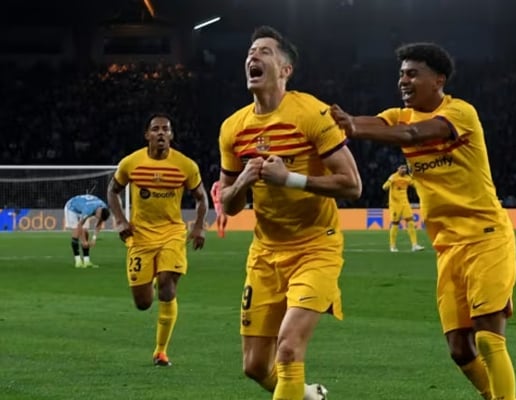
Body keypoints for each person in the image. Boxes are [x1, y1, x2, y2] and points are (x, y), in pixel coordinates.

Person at [331, 42, 516, 400]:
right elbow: (377, 123)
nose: (403, 80)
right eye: (401, 74)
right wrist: (335, 122)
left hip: (486, 237)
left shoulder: (460, 113)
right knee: (459, 349)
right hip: (447, 246)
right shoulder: (400, 115)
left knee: (488, 336)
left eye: (412, 73)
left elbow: (411, 135)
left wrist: (352, 127)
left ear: (438, 80)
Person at [218, 26, 361, 400]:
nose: (253, 57)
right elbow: (229, 205)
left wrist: (290, 179)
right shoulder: (233, 129)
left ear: (285, 69)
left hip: (316, 248)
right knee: (254, 366)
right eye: (250, 52)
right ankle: (309, 396)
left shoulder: (312, 112)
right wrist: (245, 181)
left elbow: (352, 184)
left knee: (288, 349)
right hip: (265, 255)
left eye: (264, 52)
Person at [107, 112, 208, 367]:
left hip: (172, 233)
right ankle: (150, 278)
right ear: (147, 135)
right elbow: (113, 190)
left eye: (166, 129)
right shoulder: (131, 163)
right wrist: (119, 220)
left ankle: (161, 351)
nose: (161, 133)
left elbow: (201, 199)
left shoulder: (186, 165)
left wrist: (198, 227)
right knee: (142, 303)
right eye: (156, 129)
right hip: (140, 236)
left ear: (171, 135)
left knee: (167, 286)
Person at [382, 164, 425, 252]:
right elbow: (384, 187)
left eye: (405, 168)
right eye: (402, 168)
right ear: (398, 169)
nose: (404, 169)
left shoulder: (407, 178)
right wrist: (389, 182)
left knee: (411, 221)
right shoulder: (393, 177)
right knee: (395, 223)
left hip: (405, 203)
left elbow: (416, 185)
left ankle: (414, 245)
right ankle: (392, 246)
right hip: (395, 204)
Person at [63, 194, 111, 268]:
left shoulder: (103, 207)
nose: (98, 218)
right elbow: (80, 225)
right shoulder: (89, 209)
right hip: (71, 208)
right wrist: (83, 241)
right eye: (98, 217)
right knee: (76, 232)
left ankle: (86, 261)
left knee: (85, 232)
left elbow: (99, 224)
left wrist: (94, 238)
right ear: (98, 212)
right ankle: (78, 261)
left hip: (82, 207)